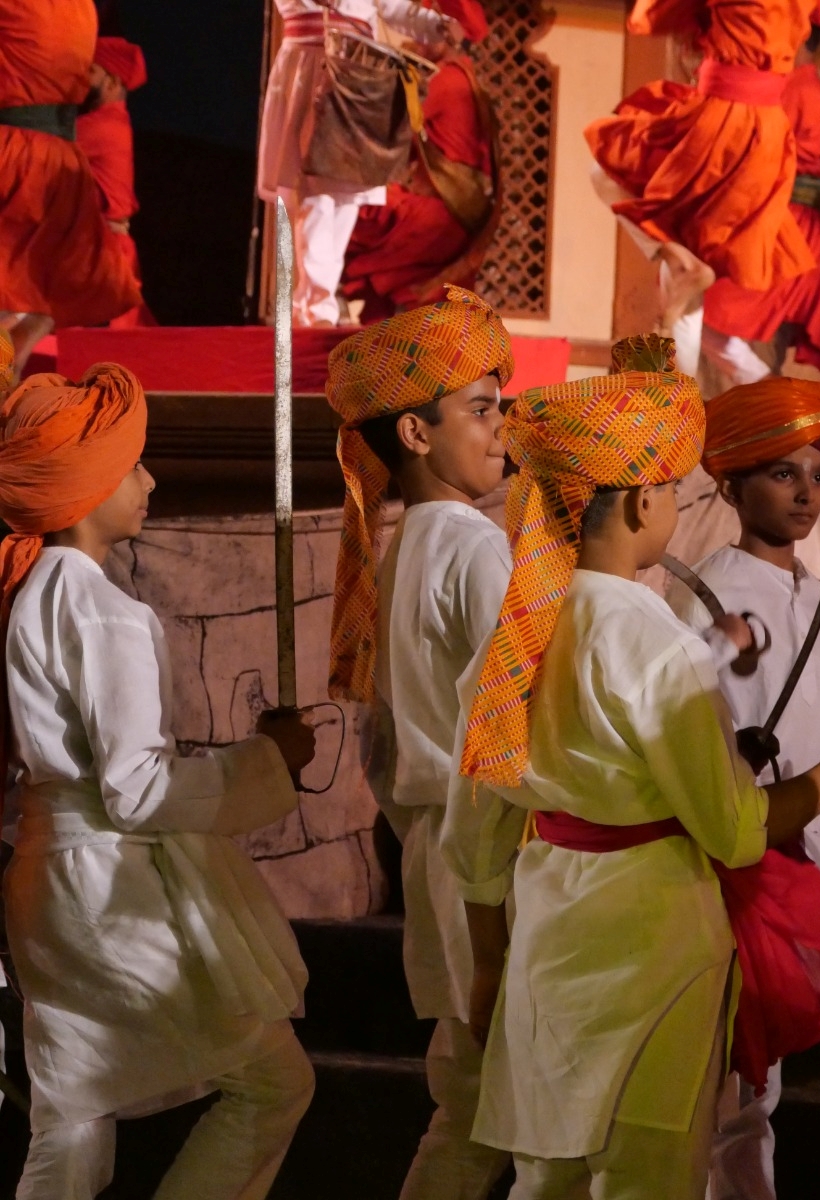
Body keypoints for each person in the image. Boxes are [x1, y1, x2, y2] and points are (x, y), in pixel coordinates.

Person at [442, 335, 820, 1200]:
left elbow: (473, 820)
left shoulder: (517, 636)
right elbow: (734, 831)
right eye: (666, 491)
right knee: (648, 1174)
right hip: (652, 947)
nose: (672, 509)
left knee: (546, 1174)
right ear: (633, 506)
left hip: (549, 928)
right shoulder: (654, 643)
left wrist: (483, 962)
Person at [0, 364, 318, 1199]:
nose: (150, 480)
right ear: (83, 488)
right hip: (107, 886)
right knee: (273, 1083)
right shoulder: (99, 609)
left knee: (70, 1118)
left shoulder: (34, 593)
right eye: (132, 466)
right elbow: (135, 792)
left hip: (48, 881)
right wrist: (269, 762)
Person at [324, 287, 514, 1198]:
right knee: (509, 1107)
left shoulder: (412, 547)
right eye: (480, 410)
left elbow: (383, 749)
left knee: (474, 1106)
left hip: (441, 853)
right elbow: (518, 727)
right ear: (414, 434)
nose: (500, 430)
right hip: (488, 862)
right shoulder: (473, 550)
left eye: (501, 408)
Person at [666, 377, 820, 1199]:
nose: (807, 494)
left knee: (758, 1086)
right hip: (749, 863)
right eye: (782, 474)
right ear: (729, 483)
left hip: (815, 861)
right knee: (727, 1088)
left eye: (817, 475)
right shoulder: (710, 599)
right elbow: (698, 740)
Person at [585, 0, 820, 367]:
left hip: (722, 123)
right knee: (685, 266)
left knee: (604, 170)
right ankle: (684, 395)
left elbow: (648, 17)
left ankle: (673, 256)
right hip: (766, 140)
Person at [258, 0, 460, 327]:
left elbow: (391, 7)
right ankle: (315, 306)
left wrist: (437, 25)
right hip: (314, 63)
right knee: (318, 189)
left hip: (360, 73)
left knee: (347, 192)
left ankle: (313, 304)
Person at [699, 32, 820, 388]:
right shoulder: (788, 87)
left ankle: (771, 400)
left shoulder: (804, 92)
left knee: (711, 313)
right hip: (782, 224)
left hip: (791, 229)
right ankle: (769, 402)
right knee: (707, 314)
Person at [0, 0, 142, 374]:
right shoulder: (82, 8)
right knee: (44, 294)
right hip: (59, 161)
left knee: (17, 284)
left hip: (15, 155)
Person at [342, 0, 500, 323]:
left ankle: (332, 301)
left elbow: (392, 129)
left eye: (428, 30)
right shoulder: (461, 75)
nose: (419, 39)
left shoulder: (445, 80)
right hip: (453, 214)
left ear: (449, 34)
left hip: (441, 217)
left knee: (349, 209)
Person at [76, 36, 158, 329]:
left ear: (111, 82)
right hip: (103, 251)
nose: (81, 79)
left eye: (91, 72)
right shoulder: (112, 121)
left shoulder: (102, 126)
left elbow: (40, 146)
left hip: (102, 256)